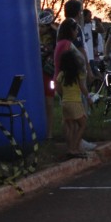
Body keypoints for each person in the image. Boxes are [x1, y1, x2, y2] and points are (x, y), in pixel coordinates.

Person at [55, 49, 90, 158]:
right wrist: (88, 97)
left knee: (70, 126)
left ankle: (70, 148)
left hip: (65, 102)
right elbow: (82, 88)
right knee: (82, 124)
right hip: (75, 102)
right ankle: (75, 147)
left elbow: (58, 89)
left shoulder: (61, 75)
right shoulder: (77, 75)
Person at [38, 9, 58, 140]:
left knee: (49, 103)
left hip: (48, 72)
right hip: (37, 71)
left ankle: (49, 133)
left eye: (43, 26)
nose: (40, 29)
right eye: (39, 26)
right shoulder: (34, 35)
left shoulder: (55, 37)